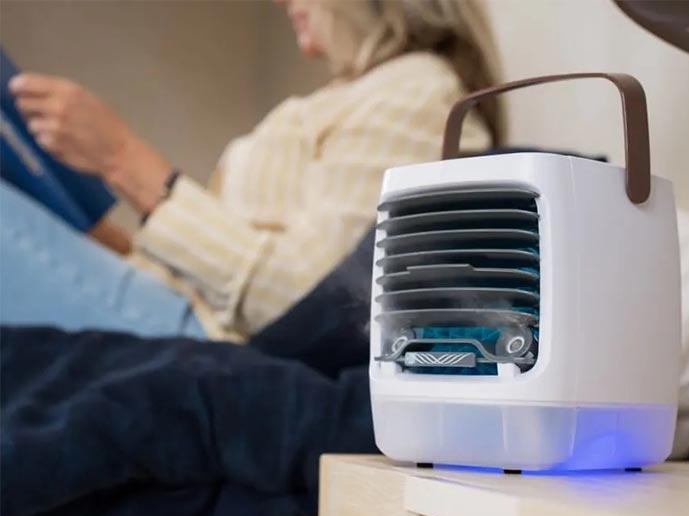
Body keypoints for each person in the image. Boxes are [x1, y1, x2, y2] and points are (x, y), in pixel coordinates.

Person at [1, 0, 502, 341]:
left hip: (208, 340)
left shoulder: (416, 91)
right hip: (173, 306)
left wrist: (121, 157)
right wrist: (92, 235)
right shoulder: (350, 96)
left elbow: (320, 305)